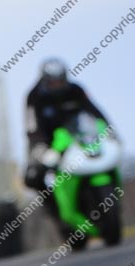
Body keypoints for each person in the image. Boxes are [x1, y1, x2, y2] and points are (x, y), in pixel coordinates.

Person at [24, 57, 111, 192]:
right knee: (33, 178)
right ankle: (56, 209)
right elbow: (32, 127)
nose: (56, 85)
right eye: (52, 82)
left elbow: (95, 111)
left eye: (60, 81)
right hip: (45, 140)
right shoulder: (34, 97)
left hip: (75, 135)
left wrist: (109, 130)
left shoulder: (76, 90)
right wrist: (42, 149)